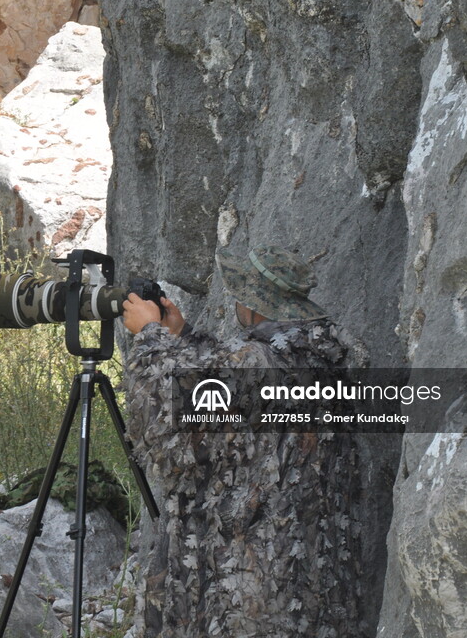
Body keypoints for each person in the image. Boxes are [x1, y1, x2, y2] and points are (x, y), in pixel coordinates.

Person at [120, 244, 367, 638]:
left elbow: (173, 421)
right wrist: (182, 336)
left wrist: (150, 338)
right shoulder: (315, 352)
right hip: (305, 552)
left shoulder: (257, 359)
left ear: (255, 306)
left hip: (255, 564)